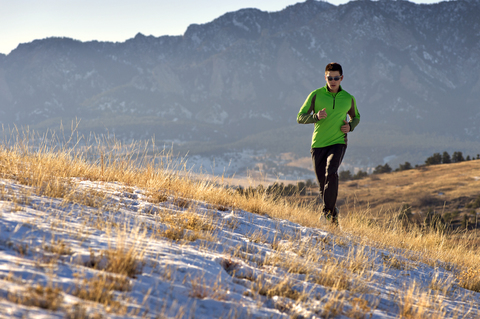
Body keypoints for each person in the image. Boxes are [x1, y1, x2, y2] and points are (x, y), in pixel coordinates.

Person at [297, 62, 360, 225]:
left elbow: (356, 117)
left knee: (331, 172)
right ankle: (333, 217)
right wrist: (315, 117)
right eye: (330, 77)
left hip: (338, 142)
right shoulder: (316, 95)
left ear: (341, 78)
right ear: (325, 77)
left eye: (336, 78)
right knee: (323, 186)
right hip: (318, 144)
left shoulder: (348, 98)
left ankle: (326, 214)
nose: (333, 80)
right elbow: (300, 117)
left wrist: (350, 126)